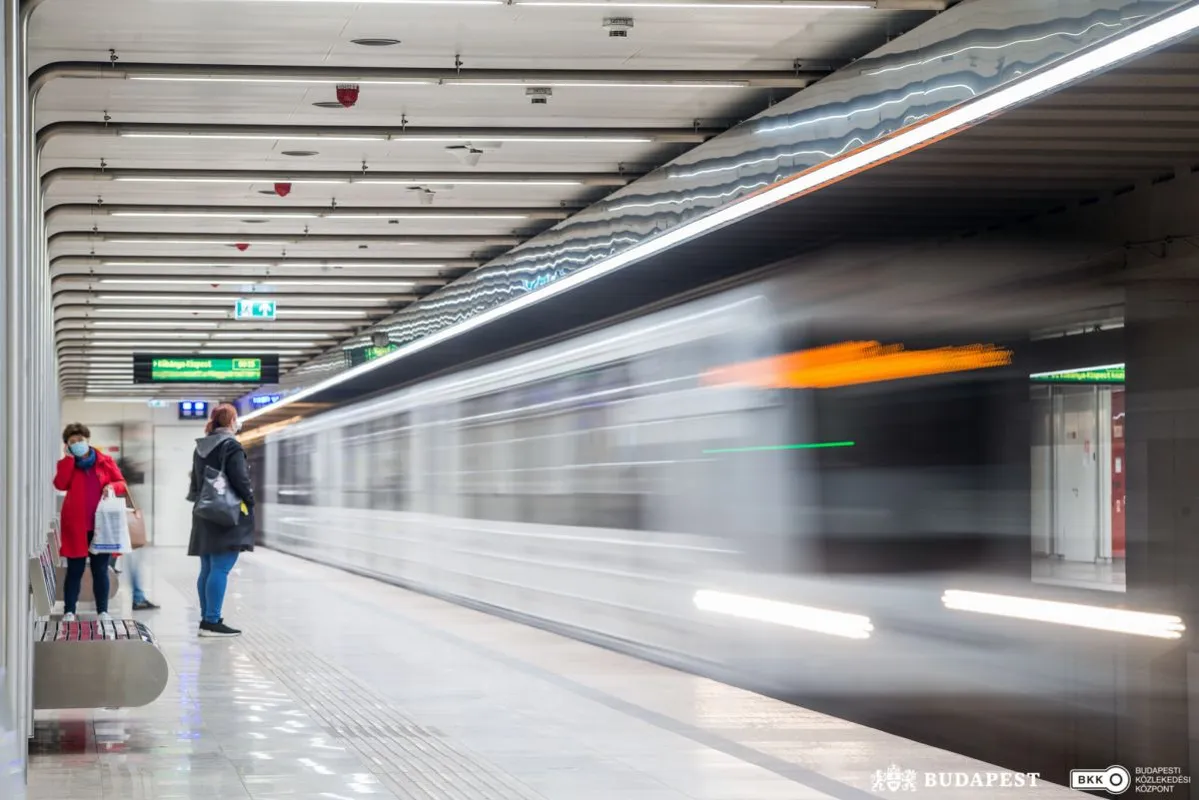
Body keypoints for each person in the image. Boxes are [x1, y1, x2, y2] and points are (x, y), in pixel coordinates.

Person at [187, 403, 254, 638]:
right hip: (226, 513)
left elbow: (195, 483)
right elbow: (239, 479)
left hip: (204, 511)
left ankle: (208, 618)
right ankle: (212, 621)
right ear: (231, 421)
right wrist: (250, 499)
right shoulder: (231, 446)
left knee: (207, 568)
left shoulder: (201, 447)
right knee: (221, 568)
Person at [53, 423, 128, 622]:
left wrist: (111, 486)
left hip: (100, 526)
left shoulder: (104, 461)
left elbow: (121, 484)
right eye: (72, 442)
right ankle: (69, 611)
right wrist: (69, 460)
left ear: (87, 440)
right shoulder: (66, 464)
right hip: (76, 526)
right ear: (67, 445)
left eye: (80, 440)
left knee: (100, 569)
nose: (77, 444)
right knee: (75, 570)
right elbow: (60, 484)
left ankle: (103, 611)